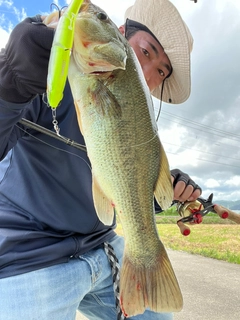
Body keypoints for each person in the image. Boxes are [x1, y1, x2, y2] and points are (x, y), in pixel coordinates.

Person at [0, 0, 201, 319]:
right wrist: (9, 80)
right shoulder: (40, 77)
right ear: (121, 36)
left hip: (101, 244)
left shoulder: (138, 116)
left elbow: (119, 190)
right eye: (146, 52)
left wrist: (163, 190)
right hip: (30, 252)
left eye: (161, 71)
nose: (148, 74)